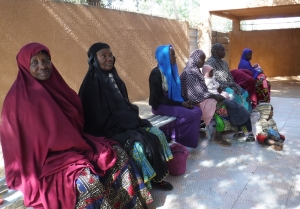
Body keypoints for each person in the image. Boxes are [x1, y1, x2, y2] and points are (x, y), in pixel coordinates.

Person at [0, 43, 152, 209]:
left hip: (74, 146)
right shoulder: (16, 101)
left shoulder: (58, 88)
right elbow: (20, 146)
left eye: (46, 60)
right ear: (24, 66)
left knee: (117, 155)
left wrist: (76, 145)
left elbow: (75, 123)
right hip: (42, 161)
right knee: (87, 181)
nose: (42, 66)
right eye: (34, 62)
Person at [79, 42, 173, 191]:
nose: (109, 58)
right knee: (138, 147)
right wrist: (123, 125)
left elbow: (127, 106)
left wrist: (133, 121)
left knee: (157, 133)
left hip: (127, 124)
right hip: (108, 131)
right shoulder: (89, 87)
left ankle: (157, 177)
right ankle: (145, 186)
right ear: (93, 60)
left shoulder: (115, 79)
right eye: (103, 56)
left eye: (110, 55)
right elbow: (94, 120)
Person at [149, 44, 202, 148]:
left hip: (172, 102)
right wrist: (181, 104)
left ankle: (184, 137)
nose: (175, 57)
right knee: (190, 115)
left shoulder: (172, 71)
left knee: (197, 111)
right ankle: (174, 135)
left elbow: (177, 92)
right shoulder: (156, 73)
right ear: (164, 57)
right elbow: (159, 98)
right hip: (161, 105)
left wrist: (185, 101)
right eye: (172, 55)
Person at [180, 49, 231, 147]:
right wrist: (213, 95)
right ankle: (219, 135)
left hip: (201, 98)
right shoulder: (190, 73)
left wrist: (213, 94)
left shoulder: (195, 71)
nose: (204, 62)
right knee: (219, 104)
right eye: (202, 59)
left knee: (222, 99)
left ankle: (222, 128)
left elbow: (202, 91)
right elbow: (193, 95)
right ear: (195, 59)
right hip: (194, 101)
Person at [206, 43, 252, 112]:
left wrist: (233, 84)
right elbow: (211, 79)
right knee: (232, 95)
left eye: (224, 50)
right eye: (222, 50)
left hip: (229, 84)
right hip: (219, 87)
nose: (224, 52)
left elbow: (229, 76)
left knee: (244, 93)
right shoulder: (210, 63)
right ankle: (239, 115)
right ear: (216, 51)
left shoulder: (224, 63)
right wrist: (227, 85)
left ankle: (246, 113)